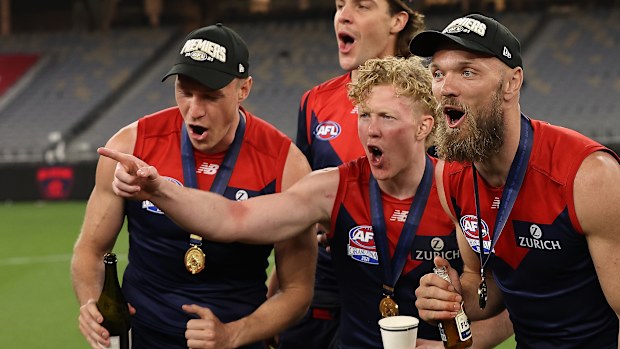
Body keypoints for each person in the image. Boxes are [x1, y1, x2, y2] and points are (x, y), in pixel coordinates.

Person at [99, 56, 513, 348]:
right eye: (364, 116)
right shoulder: (333, 187)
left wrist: (457, 340)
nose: (371, 130)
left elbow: (510, 304)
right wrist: (158, 188)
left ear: (425, 126)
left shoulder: (459, 190)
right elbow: (234, 218)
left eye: (386, 118)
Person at [71, 23, 316, 349]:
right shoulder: (131, 146)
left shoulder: (286, 164)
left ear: (244, 90)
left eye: (210, 96)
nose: (194, 110)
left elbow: (297, 289)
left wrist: (234, 334)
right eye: (185, 92)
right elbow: (91, 249)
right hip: (144, 337)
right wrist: (91, 304)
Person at [409, 13, 620, 348]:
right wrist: (450, 295)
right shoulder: (449, 175)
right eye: (437, 73)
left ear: (511, 83)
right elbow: (486, 286)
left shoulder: (589, 176)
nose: (446, 88)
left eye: (467, 71)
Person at [270, 1, 425, 348]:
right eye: (339, 5)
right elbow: (299, 208)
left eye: (362, 5)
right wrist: (276, 290)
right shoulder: (314, 101)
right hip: (323, 284)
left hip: (402, 285)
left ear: (398, 20)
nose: (344, 14)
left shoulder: (428, 99)